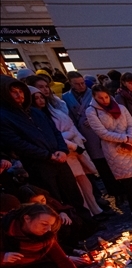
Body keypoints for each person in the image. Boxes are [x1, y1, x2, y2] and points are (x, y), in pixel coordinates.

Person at [0, 78, 87, 213]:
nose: (19, 95)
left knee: (73, 193)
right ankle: (68, 229)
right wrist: (47, 156)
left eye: (21, 91)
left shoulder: (35, 112)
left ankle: (85, 222)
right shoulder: (4, 117)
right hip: (39, 164)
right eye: (14, 92)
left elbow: (55, 132)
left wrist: (62, 150)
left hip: (59, 159)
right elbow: (18, 143)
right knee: (54, 199)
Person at [85, 85, 132, 219]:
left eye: (106, 97)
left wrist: (131, 138)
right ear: (94, 98)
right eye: (100, 98)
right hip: (114, 148)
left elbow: (131, 124)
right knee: (130, 180)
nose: (104, 100)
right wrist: (123, 138)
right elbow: (101, 132)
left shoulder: (121, 108)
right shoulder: (92, 112)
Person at [31, 87, 103, 215]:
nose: (41, 100)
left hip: (75, 151)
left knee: (85, 181)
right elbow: (52, 136)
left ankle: (95, 208)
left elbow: (70, 126)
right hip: (63, 153)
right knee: (74, 187)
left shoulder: (54, 111)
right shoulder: (35, 117)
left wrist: (78, 138)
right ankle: (87, 213)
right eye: (36, 98)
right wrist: (69, 139)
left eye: (41, 97)